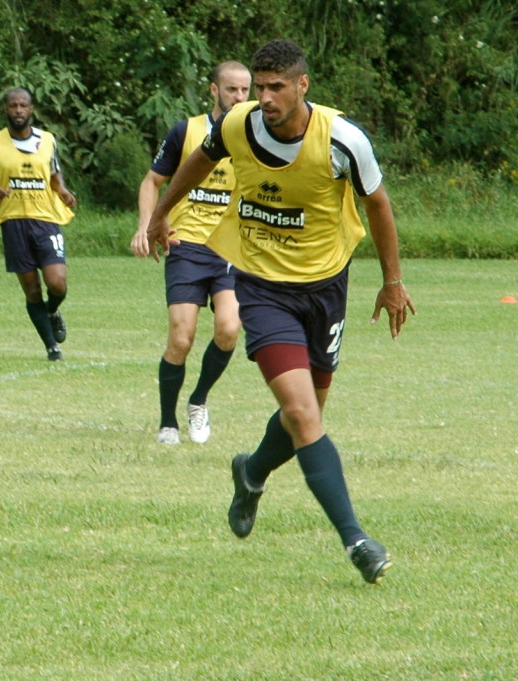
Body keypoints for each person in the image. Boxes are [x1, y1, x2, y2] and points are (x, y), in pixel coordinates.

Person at [147, 39, 415, 584]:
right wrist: (162, 214)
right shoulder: (237, 126)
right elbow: (197, 160)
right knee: (301, 414)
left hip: (325, 290)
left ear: (302, 86)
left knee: (308, 412)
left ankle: (251, 472)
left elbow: (378, 204)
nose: (264, 98)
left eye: (275, 87)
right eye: (258, 87)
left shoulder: (343, 141)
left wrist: (392, 281)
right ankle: (356, 539)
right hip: (262, 289)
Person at [131, 61, 251, 445]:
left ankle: (198, 402)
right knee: (181, 339)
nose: (240, 97)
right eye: (232, 90)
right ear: (214, 91)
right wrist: (146, 225)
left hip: (230, 250)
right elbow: (152, 181)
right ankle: (168, 422)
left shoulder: (254, 136)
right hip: (185, 248)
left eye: (245, 91)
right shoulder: (187, 131)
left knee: (229, 329)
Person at [0, 87, 78, 361]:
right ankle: (51, 348)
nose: (18, 110)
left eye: (23, 105)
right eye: (13, 106)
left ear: (31, 110)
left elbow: (55, 176)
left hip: (45, 219)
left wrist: (64, 192)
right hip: (14, 223)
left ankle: (53, 310)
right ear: (6, 110)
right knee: (32, 288)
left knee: (57, 283)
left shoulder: (47, 141)